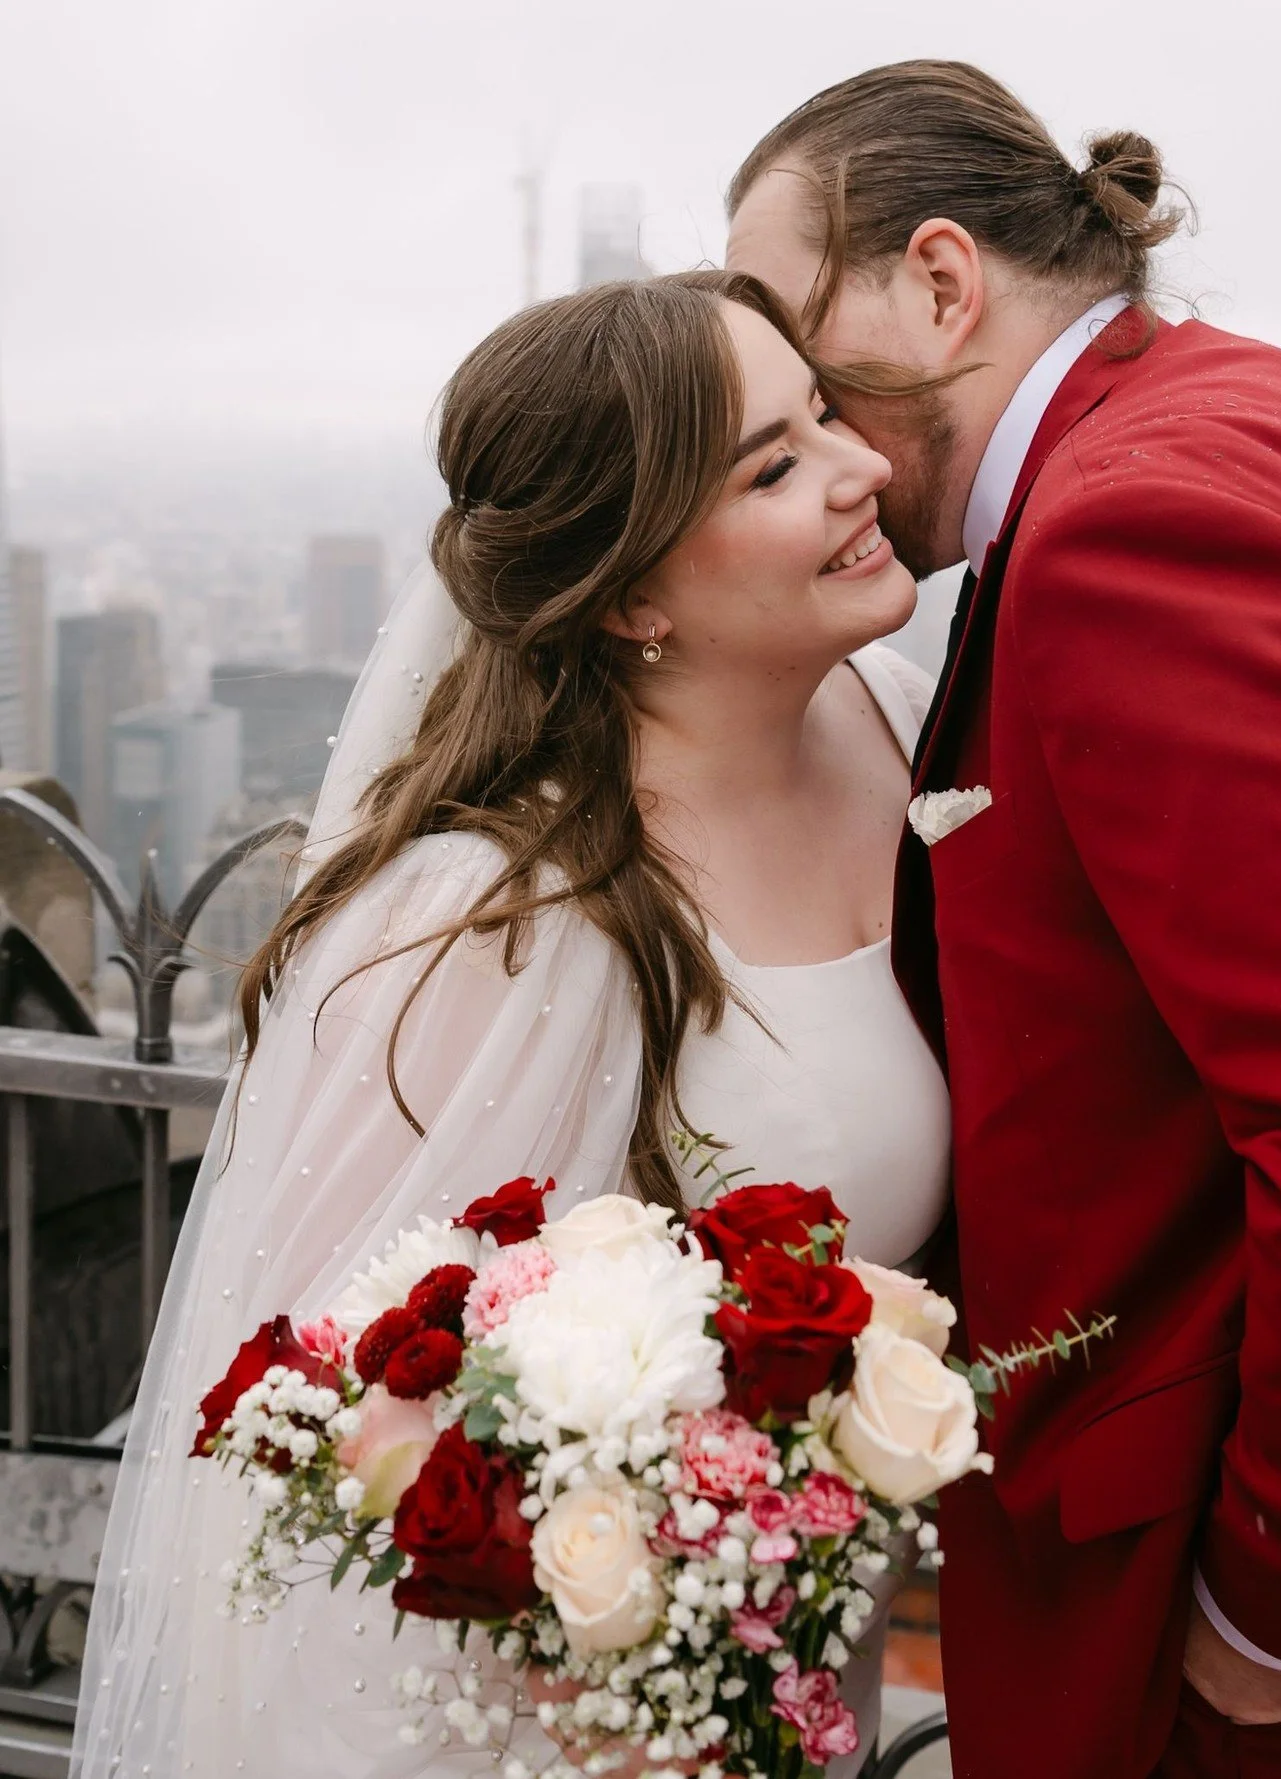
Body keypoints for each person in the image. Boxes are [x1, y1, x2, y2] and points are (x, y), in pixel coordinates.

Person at [70, 271, 949, 1778]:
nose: (862, 466)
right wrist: (624, 1704)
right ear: (629, 594)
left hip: (816, 1659)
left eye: (821, 414)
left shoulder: (903, 713)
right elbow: (328, 1429)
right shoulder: (501, 926)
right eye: (773, 464)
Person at [727, 57, 1281, 1779]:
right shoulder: (1245, 405)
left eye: (798, 341)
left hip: (1267, 1646)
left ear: (943, 277)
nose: (810, 420)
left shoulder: (1136, 525)